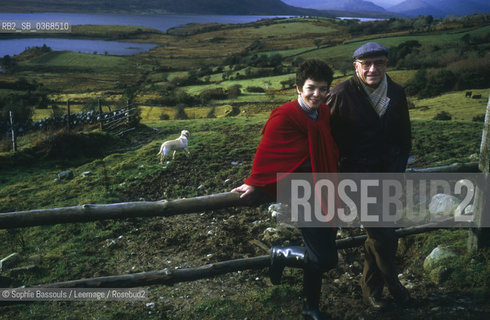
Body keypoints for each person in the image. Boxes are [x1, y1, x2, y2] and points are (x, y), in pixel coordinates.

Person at [232, 59, 339, 320]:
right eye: (311, 88)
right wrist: (255, 180)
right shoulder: (285, 116)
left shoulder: (323, 112)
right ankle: (280, 253)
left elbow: (325, 145)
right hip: (299, 191)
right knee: (324, 259)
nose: (318, 94)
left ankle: (309, 308)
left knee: (324, 256)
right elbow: (268, 153)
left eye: (323, 89)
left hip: (323, 187)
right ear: (298, 88)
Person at [326, 42, 412, 310]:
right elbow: (326, 140)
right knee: (384, 235)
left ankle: (371, 291)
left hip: (389, 178)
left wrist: (397, 171)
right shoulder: (340, 94)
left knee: (380, 235)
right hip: (355, 179)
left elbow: (403, 137)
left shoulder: (397, 93)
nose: (373, 69)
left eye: (379, 63)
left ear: (387, 64)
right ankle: (392, 285)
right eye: (366, 64)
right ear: (356, 67)